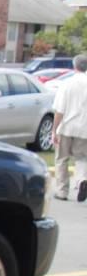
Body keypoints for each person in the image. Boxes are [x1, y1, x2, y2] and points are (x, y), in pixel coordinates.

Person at [52, 54, 87, 202]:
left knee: (62, 159)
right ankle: (81, 180)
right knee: (82, 158)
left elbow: (59, 110)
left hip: (66, 127)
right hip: (84, 127)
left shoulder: (67, 84)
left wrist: (54, 130)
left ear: (74, 66)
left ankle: (62, 191)